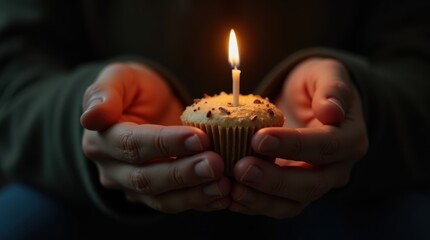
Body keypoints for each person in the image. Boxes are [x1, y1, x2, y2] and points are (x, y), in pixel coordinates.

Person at [1, 0, 429, 239]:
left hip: (335, 193)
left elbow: (416, 62)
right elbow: (16, 72)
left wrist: (362, 108)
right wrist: (87, 124)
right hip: (95, 199)